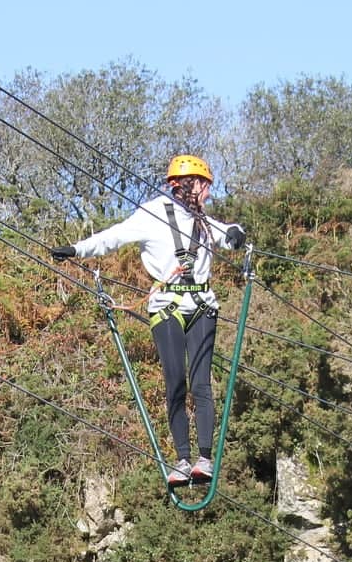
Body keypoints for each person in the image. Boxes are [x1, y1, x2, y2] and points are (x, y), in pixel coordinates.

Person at [52, 155, 247, 487]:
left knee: (201, 384)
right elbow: (113, 237)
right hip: (166, 306)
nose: (209, 194)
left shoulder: (202, 221)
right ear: (192, 185)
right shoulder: (152, 214)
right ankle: (182, 460)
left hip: (201, 304)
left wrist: (238, 235)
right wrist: (75, 250)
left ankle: (203, 459)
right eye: (205, 187)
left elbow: (228, 233)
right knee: (175, 382)